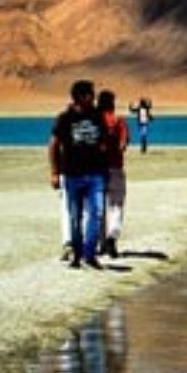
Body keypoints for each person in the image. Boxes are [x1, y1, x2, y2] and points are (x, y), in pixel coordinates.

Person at [50, 79, 113, 270]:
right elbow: (54, 145)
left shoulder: (97, 116)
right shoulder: (65, 118)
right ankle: (77, 254)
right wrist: (55, 172)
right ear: (80, 97)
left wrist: (106, 170)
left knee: (97, 213)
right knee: (75, 216)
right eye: (91, 95)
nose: (94, 98)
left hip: (95, 175)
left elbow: (104, 144)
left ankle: (90, 253)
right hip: (72, 174)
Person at [96, 90, 131, 258]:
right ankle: (112, 236)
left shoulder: (94, 122)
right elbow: (124, 143)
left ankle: (101, 243)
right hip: (115, 168)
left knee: (98, 207)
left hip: (96, 169)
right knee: (116, 204)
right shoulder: (119, 121)